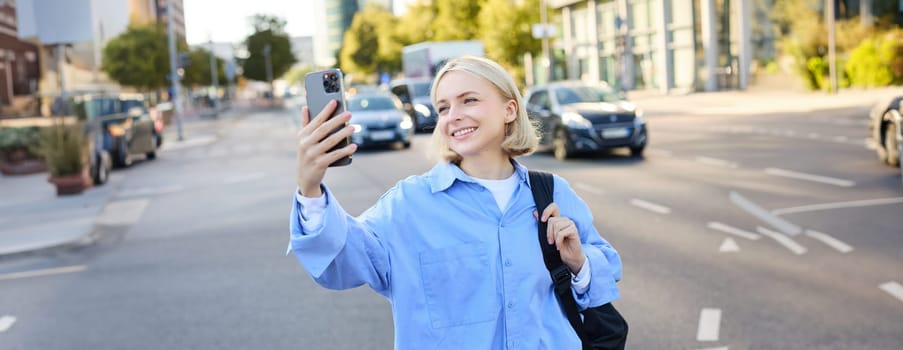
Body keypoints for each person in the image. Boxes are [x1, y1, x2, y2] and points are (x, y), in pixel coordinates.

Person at [289, 56, 623, 349]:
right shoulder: (409, 205)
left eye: (469, 100)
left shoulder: (553, 193)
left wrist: (579, 262)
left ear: (510, 109)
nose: (453, 116)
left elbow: (604, 276)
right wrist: (310, 188)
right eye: (444, 107)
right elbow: (338, 266)